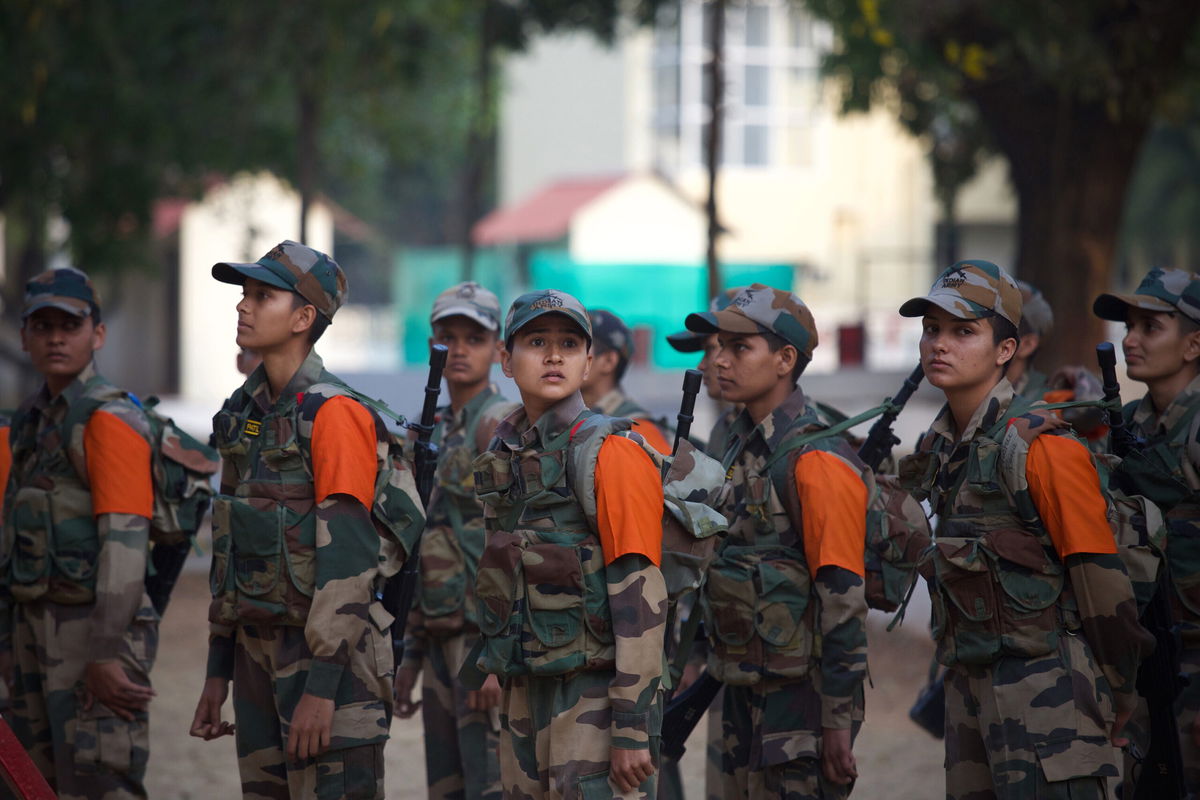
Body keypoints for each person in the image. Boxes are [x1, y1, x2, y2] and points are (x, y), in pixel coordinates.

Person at [898, 259, 1150, 799]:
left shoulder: (1042, 449)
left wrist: (1122, 693)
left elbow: (1101, 585)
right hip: (968, 694)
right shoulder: (943, 450)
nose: (939, 345)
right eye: (931, 330)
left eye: (964, 331)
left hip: (1051, 704)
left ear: (1006, 350)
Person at [189, 241, 420, 799]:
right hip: (256, 652)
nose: (243, 307)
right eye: (244, 295)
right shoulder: (243, 412)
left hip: (331, 666)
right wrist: (218, 668)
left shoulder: (334, 414)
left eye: (262, 295)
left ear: (302, 318)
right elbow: (230, 543)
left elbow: (349, 557)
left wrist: (322, 686)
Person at [470, 289, 668, 799]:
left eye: (570, 344)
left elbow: (640, 593)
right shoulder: (506, 452)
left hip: (594, 701)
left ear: (587, 364)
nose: (554, 355)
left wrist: (631, 727)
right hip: (525, 688)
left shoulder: (611, 452)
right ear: (507, 361)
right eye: (537, 341)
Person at [683, 283, 869, 799]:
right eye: (717, 346)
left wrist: (835, 720)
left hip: (802, 702)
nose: (718, 360)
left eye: (739, 348)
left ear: (786, 359)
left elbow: (843, 598)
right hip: (743, 683)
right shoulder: (735, 439)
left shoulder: (815, 459)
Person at [1, 267, 159, 798]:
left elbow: (125, 542)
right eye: (41, 326)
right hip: (31, 632)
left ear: (97, 333)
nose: (55, 338)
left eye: (69, 325)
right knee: (31, 784)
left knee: (96, 782)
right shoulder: (30, 420)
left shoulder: (108, 418)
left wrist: (105, 652)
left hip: (92, 632)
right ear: (24, 337)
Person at [394, 281, 515, 800]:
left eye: (474, 337)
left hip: (480, 647)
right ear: (431, 346)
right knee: (445, 787)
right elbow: (424, 549)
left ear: (497, 351)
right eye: (448, 336)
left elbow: (513, 546)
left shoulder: (501, 426)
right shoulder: (434, 430)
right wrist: (410, 658)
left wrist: (497, 656)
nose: (459, 348)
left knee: (489, 786)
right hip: (440, 635)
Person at [1093, 266, 1200, 795]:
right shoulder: (1129, 424)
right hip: (1147, 654)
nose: (1129, 340)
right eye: (1127, 326)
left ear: (1193, 344)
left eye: (1150, 327)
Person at [582, 309, 672, 453]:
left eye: (573, 345)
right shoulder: (564, 420)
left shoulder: (638, 430)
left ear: (609, 361)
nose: (559, 356)